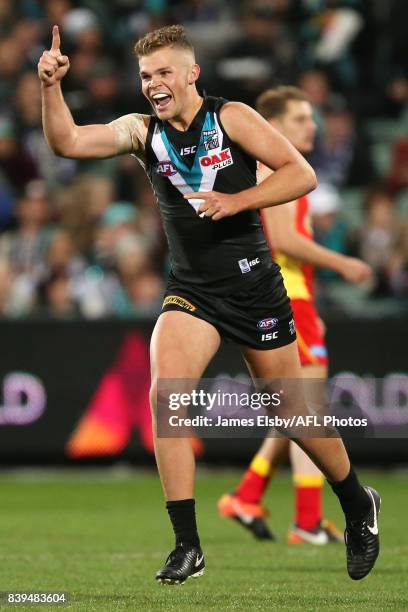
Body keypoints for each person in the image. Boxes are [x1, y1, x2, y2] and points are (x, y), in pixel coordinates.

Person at [38, 24, 381, 585]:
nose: (153, 84)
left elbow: (303, 173)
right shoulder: (140, 130)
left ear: (192, 73)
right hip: (192, 290)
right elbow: (68, 143)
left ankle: (355, 501)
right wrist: (50, 88)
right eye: (146, 75)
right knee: (165, 395)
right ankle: (187, 544)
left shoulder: (232, 118)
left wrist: (238, 199)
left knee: (292, 415)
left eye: (165, 72)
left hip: (253, 287)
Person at [218, 86, 372, 544]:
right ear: (276, 126)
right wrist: (342, 262)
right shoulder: (277, 168)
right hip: (289, 296)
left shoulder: (270, 170)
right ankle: (306, 520)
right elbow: (284, 239)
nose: (312, 126)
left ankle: (249, 495)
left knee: (296, 410)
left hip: (288, 293)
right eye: (302, 118)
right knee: (308, 409)